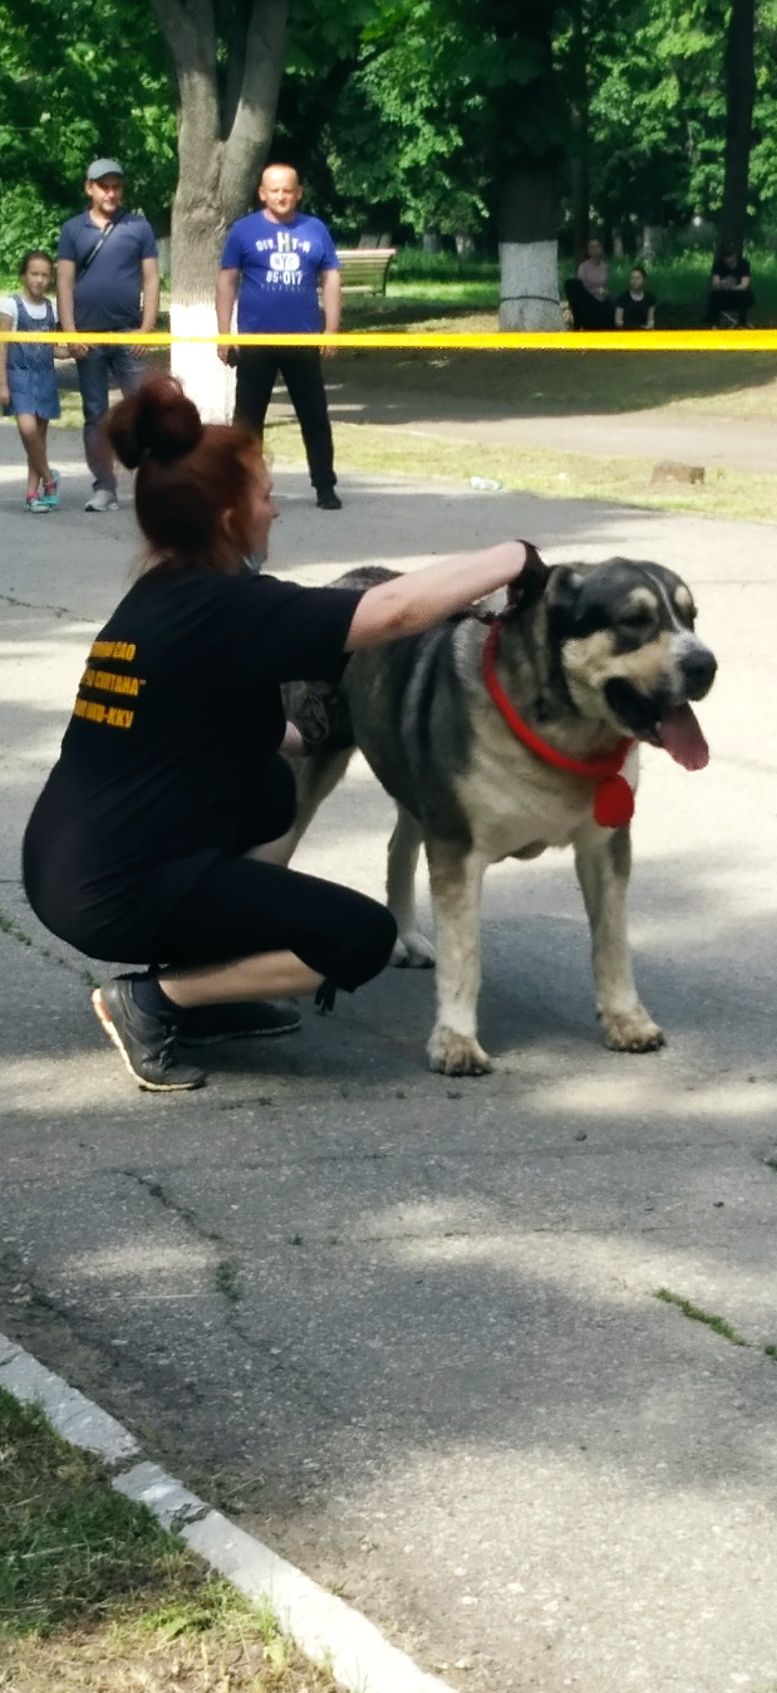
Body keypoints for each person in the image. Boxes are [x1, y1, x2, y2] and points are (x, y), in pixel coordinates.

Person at [21, 374, 539, 1093]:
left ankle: (209, 988)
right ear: (229, 517)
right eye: (265, 495)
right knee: (356, 937)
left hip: (64, 864)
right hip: (115, 890)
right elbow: (387, 611)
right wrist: (512, 555)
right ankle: (154, 1000)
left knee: (270, 789)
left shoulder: (162, 596)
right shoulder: (229, 606)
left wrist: (307, 734)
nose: (276, 511)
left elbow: (222, 728)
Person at [217, 164, 343, 510]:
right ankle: (244, 488)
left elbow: (330, 278)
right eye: (274, 190)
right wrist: (223, 334)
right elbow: (227, 282)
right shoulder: (243, 231)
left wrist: (331, 330)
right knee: (247, 421)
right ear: (262, 193)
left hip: (302, 340)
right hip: (256, 341)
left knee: (314, 416)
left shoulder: (315, 229)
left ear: (298, 192)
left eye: (288, 190)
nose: (281, 196)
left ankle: (324, 486)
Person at [56, 157, 160, 512]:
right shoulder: (73, 230)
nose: (111, 192)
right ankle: (104, 486)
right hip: (88, 338)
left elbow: (151, 279)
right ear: (90, 188)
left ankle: (154, 485)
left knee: (144, 412)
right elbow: (65, 283)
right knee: (96, 414)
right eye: (104, 186)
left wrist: (146, 329)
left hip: (129, 334)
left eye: (116, 186)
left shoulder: (139, 227)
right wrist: (70, 332)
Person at [0, 251, 62, 512]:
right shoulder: (10, 305)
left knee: (40, 435)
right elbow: (2, 345)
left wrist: (78, 349)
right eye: (34, 274)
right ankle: (50, 479)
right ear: (24, 274)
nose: (39, 280)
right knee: (27, 429)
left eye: (44, 275)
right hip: (19, 375)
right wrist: (2, 383)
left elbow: (54, 349)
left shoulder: (52, 308)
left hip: (45, 376)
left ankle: (32, 494)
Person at [564, 237, 614, 332]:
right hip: (588, 300)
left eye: (597, 247)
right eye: (592, 247)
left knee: (611, 305)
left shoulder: (605, 267)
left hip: (602, 299)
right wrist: (596, 291)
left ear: (601, 248)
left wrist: (605, 292)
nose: (595, 250)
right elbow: (580, 290)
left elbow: (605, 285)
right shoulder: (583, 267)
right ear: (588, 250)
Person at [706, 240, 754, 329]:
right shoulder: (718, 264)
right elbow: (715, 283)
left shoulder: (744, 264)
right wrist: (722, 284)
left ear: (735, 255)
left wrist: (733, 287)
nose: (728, 260)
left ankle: (742, 322)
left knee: (744, 295)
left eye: (730, 256)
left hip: (739, 295)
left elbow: (744, 285)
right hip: (724, 296)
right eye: (725, 257)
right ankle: (714, 323)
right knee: (713, 296)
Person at [615, 264, 657, 332]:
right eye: (632, 278)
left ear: (644, 281)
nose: (634, 281)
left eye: (638, 278)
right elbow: (618, 321)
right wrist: (636, 327)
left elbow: (650, 321)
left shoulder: (650, 298)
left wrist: (648, 327)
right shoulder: (623, 297)